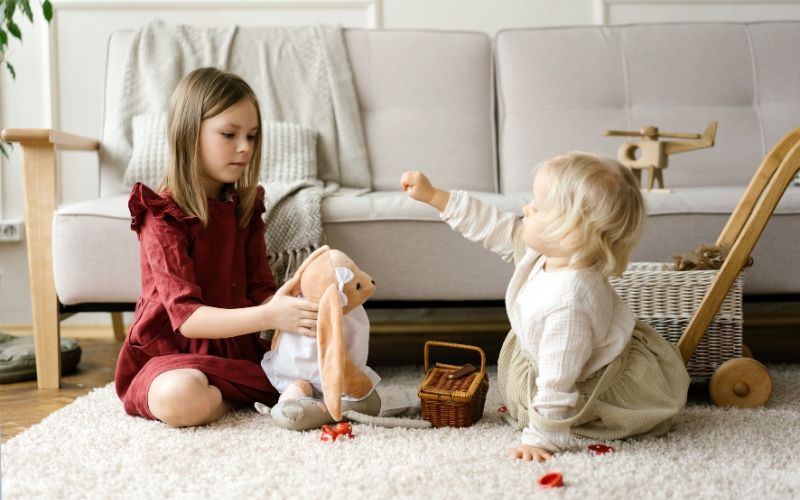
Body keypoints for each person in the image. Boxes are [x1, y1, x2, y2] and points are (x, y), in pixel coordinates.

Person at [401, 152, 690, 462]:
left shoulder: (570, 302)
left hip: (579, 378)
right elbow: (494, 226)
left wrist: (543, 437)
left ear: (570, 230)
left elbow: (557, 379)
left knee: (556, 380)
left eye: (536, 208)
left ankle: (561, 424)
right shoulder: (552, 252)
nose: (526, 209)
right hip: (555, 354)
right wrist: (434, 196)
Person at [115, 67, 318, 428]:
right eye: (229, 134)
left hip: (236, 350)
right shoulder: (161, 216)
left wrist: (296, 308)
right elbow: (188, 319)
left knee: (313, 375)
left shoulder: (244, 206)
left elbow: (260, 289)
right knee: (179, 397)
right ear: (189, 134)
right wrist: (270, 316)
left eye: (252, 137)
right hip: (170, 354)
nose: (245, 148)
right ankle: (232, 399)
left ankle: (230, 393)